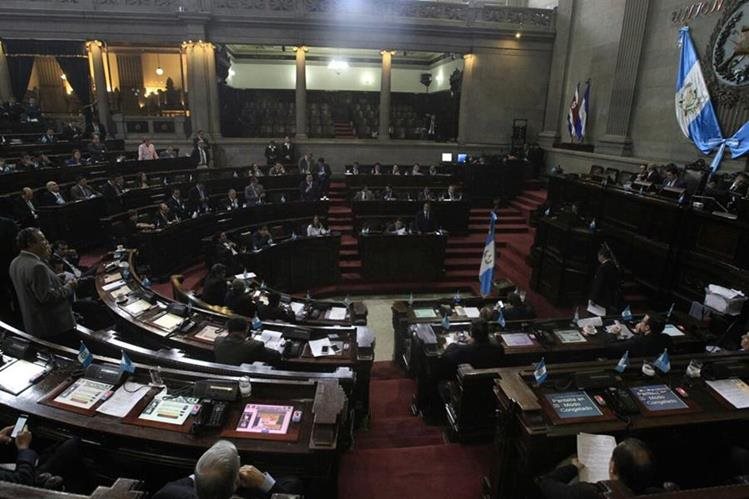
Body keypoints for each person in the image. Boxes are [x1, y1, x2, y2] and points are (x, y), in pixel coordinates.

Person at [153, 439, 300, 499]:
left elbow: (185, 483)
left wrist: (209, 474)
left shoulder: (168, 493)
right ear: (236, 483)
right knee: (293, 482)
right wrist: (264, 482)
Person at [9, 228, 77, 341]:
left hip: (34, 324)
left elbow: (30, 288)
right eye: (42, 240)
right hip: (54, 326)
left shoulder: (15, 262)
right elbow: (46, 297)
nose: (46, 243)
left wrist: (55, 279)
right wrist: (70, 287)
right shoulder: (37, 266)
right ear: (30, 243)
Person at [537, 438, 657, 498]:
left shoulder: (588, 493)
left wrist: (572, 467)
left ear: (613, 468)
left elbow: (546, 483)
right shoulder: (657, 493)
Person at [589, 245, 621, 314]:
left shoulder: (602, 268)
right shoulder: (613, 266)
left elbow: (598, 284)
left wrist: (593, 298)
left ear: (602, 256)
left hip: (600, 298)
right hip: (609, 297)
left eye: (598, 256)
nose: (598, 258)